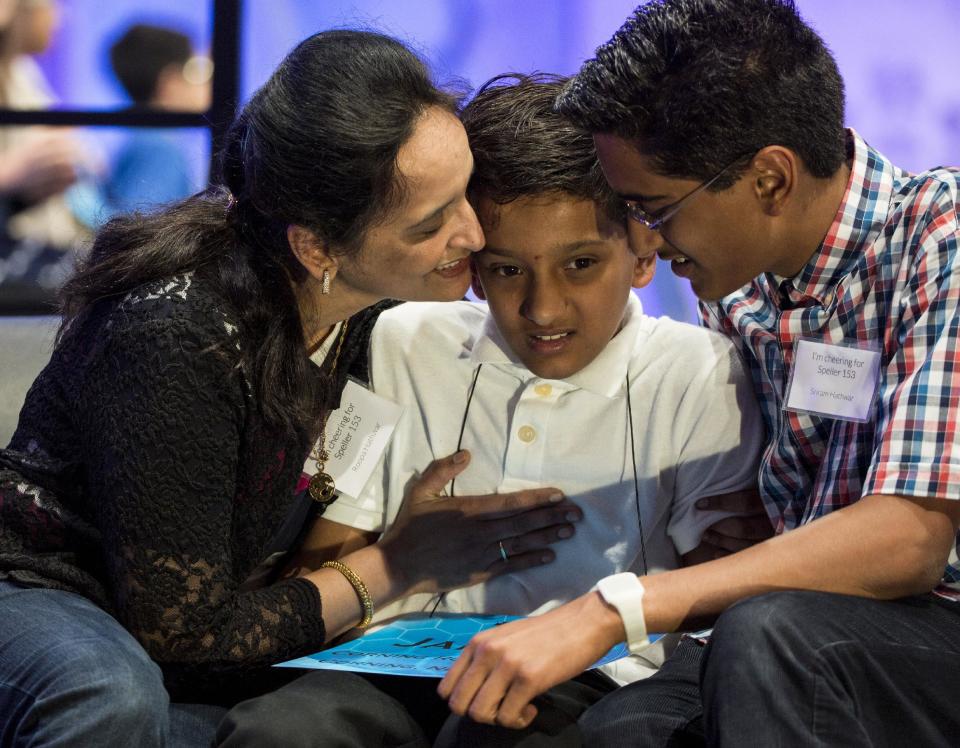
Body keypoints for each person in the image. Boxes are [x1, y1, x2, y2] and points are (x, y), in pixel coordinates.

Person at [0, 30, 582, 747]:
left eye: (468, 193)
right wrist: (398, 563)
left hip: (214, 625)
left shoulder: (379, 317)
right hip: (45, 586)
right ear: (317, 247)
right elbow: (184, 634)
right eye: (431, 222)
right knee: (108, 698)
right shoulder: (180, 331)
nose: (471, 233)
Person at [435, 1, 960, 746]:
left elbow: (908, 541)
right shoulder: (740, 287)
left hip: (923, 625)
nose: (643, 239)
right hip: (785, 618)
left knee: (773, 637)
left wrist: (612, 607)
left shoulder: (941, 236)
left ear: (770, 180)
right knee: (613, 728)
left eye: (653, 207)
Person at [215, 73, 767, 747]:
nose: (543, 309)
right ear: (474, 263)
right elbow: (321, 558)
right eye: (507, 270)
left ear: (644, 251)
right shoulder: (401, 339)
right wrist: (400, 555)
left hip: (591, 675)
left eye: (581, 264)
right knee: (283, 731)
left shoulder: (699, 371)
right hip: (398, 662)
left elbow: (719, 587)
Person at [100, 22, 212, 217]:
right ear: (170, 82)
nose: (206, 83)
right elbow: (140, 232)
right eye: (197, 71)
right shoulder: (161, 149)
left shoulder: (144, 137)